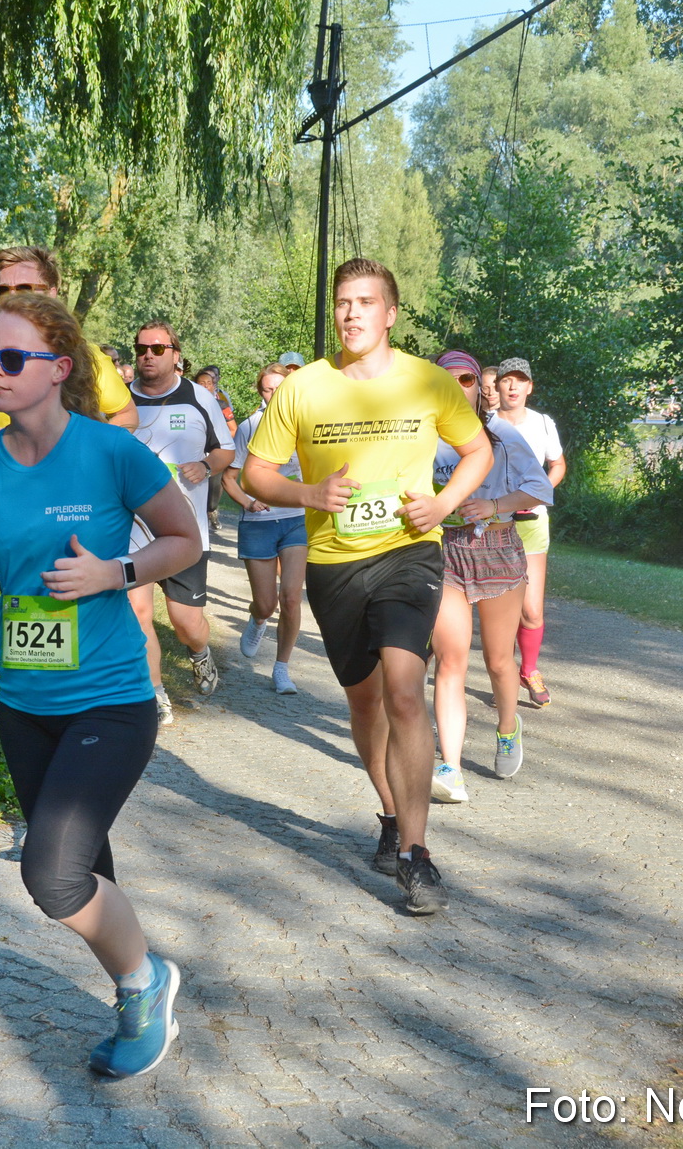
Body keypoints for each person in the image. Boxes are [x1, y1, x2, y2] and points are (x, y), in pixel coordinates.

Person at [0, 291, 201, 1077]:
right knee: (84, 867)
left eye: (11, 358)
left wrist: (114, 572)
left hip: (113, 699)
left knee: (50, 873)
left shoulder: (110, 454)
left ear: (59, 369)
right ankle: (134, 992)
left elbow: (181, 540)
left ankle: (148, 978)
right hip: (26, 706)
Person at [241, 259, 490, 915]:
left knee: (407, 688)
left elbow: (478, 451)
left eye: (365, 302)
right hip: (332, 561)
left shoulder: (428, 381)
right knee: (365, 701)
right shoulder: (303, 389)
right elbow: (255, 473)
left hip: (409, 551)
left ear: (390, 312)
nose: (352, 313)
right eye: (342, 302)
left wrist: (444, 505)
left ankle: (416, 853)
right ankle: (388, 811)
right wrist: (308, 492)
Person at [427, 351, 554, 804]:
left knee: (499, 662)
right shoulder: (421, 435)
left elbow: (541, 488)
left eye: (465, 378)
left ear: (477, 386)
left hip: (499, 550)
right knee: (451, 660)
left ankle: (506, 728)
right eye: (445, 379)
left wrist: (495, 506)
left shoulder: (500, 434)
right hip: (447, 554)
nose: (455, 386)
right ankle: (451, 767)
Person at [126, 320, 235, 723]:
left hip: (184, 529)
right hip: (133, 528)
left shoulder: (199, 398)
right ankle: (155, 693)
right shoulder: (120, 403)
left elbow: (225, 451)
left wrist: (205, 466)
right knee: (138, 612)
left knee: (186, 623)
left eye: (157, 349)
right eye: (141, 349)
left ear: (176, 354)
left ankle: (199, 652)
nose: (147, 356)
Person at [0, 247, 139, 452]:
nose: (11, 299)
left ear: (51, 293)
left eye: (24, 289)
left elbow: (128, 415)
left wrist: (92, 451)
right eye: (3, 290)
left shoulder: (90, 360)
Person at [224, 363, 306, 695]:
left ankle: (282, 668)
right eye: (267, 390)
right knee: (267, 603)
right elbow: (230, 478)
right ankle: (258, 619)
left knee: (290, 598)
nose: (273, 396)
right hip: (259, 523)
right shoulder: (250, 426)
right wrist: (248, 502)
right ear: (260, 392)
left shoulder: (304, 424)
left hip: (296, 520)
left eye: (279, 389)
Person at [493, 358, 566, 707]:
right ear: (497, 386)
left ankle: (530, 669)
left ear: (529, 387)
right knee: (495, 608)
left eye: (519, 381)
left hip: (532, 522)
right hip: (492, 523)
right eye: (507, 380)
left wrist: (538, 493)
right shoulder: (485, 423)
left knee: (532, 610)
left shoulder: (542, 423)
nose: (512, 387)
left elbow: (558, 464)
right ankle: (499, 671)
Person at [194, 366, 236, 529]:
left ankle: (212, 512)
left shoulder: (221, 404)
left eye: (208, 383)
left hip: (213, 456)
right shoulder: (187, 402)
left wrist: (219, 446)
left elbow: (233, 429)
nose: (204, 386)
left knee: (212, 498)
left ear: (214, 385)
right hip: (192, 456)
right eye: (201, 383)